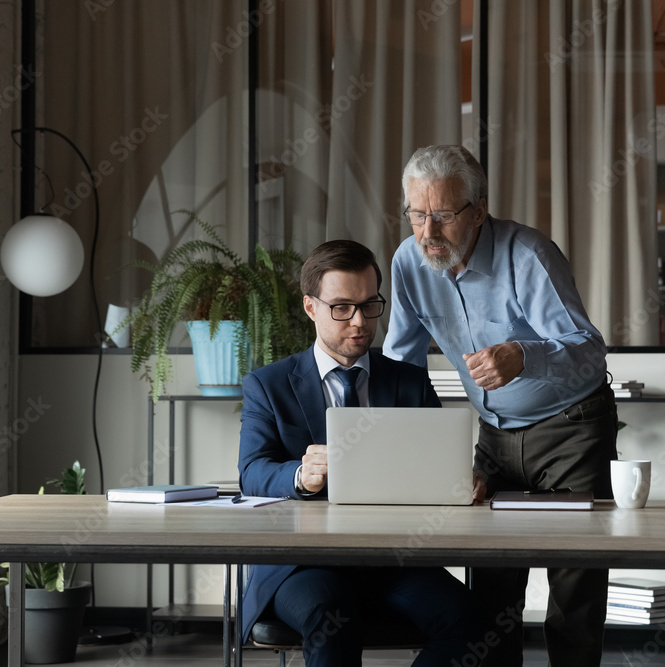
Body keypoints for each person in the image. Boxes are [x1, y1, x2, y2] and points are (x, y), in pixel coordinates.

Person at [383, 145, 618, 666]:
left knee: (573, 586)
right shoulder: (408, 263)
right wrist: (424, 459)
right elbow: (401, 366)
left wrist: (524, 356)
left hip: (572, 429)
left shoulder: (528, 254)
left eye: (442, 216)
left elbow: (589, 346)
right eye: (417, 215)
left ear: (478, 209)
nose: (427, 232)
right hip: (493, 436)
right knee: (492, 588)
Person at [237, 239, 483, 667]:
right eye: (342, 307)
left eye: (370, 305)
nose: (359, 321)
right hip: (303, 565)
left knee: (470, 619)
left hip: (394, 558)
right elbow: (252, 472)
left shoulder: (409, 381)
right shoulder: (269, 384)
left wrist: (461, 480)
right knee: (334, 617)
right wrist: (300, 476)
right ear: (310, 307)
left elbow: (436, 465)